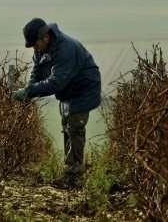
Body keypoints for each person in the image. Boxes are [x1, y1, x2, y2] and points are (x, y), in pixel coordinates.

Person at [11, 18, 101, 188]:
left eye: (35, 44)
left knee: (75, 127)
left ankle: (75, 174)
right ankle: (71, 168)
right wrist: (29, 89)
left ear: (45, 37)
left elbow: (55, 83)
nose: (34, 49)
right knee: (66, 125)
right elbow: (37, 70)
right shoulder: (41, 48)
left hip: (83, 89)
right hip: (68, 91)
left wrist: (29, 92)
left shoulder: (65, 49)